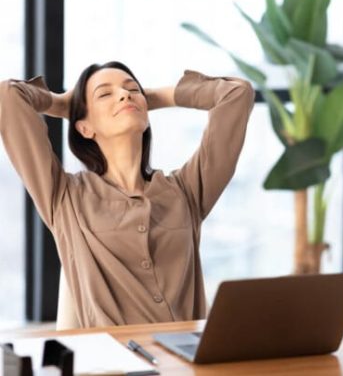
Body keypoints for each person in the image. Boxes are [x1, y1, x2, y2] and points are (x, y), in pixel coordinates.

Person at [0, 61, 255, 328]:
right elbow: (9, 94)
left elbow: (236, 94)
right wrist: (62, 104)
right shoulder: (65, 197)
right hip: (113, 363)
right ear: (85, 127)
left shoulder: (186, 191)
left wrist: (153, 97)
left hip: (186, 363)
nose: (125, 94)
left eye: (132, 89)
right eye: (104, 94)